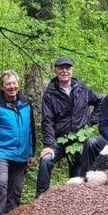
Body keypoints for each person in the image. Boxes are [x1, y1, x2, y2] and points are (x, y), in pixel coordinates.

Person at [35, 57, 101, 196]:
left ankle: (73, 205)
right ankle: (41, 200)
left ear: (72, 70)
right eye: (61, 68)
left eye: (67, 68)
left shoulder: (82, 89)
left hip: (79, 140)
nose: (64, 71)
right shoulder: (50, 94)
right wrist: (48, 144)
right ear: (56, 70)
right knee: (46, 160)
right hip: (59, 140)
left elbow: (100, 102)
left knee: (76, 178)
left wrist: (89, 122)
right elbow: (47, 120)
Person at [0, 71, 36, 215]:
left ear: (18, 84)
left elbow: (31, 129)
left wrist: (31, 153)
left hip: (21, 154)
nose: (12, 87)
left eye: (14, 83)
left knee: (16, 189)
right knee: (2, 182)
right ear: (2, 86)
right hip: (2, 151)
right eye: (8, 84)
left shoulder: (26, 103)